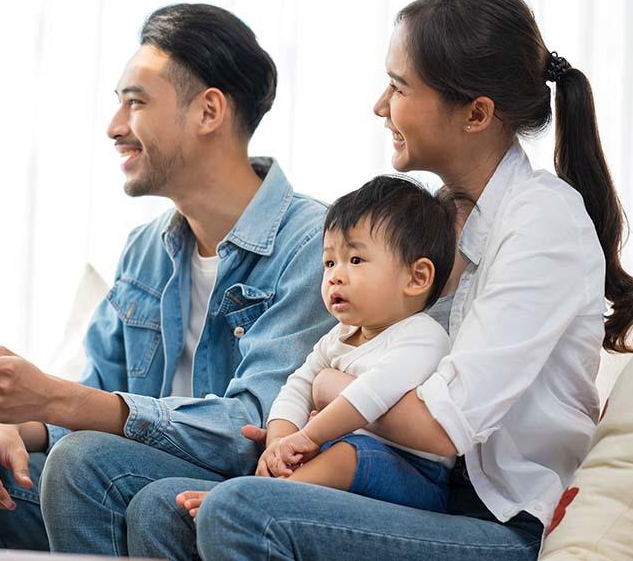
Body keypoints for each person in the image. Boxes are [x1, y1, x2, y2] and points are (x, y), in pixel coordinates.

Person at [126, 0, 633, 561]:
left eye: (398, 87)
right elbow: (356, 350)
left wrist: (325, 388)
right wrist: (291, 429)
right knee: (158, 507)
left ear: (477, 113)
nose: (380, 106)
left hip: (495, 518)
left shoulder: (543, 222)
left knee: (238, 511)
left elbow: (442, 427)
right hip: (411, 485)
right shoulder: (430, 220)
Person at [0, 3, 335, 554]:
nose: (114, 127)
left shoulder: (313, 243)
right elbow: (93, 391)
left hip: (225, 494)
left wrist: (53, 401)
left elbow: (251, 428)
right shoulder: (146, 249)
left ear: (208, 112)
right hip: (118, 477)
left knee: (87, 460)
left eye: (135, 102)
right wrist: (12, 422)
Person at [185, 175, 459, 518]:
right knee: (329, 450)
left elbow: (370, 396)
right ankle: (266, 486)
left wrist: (307, 437)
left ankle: (261, 496)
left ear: (416, 277)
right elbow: (297, 387)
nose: (335, 276)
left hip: (417, 475)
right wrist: (278, 442)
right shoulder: (340, 335)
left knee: (347, 452)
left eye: (355, 260)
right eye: (330, 262)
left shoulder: (423, 336)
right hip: (344, 450)